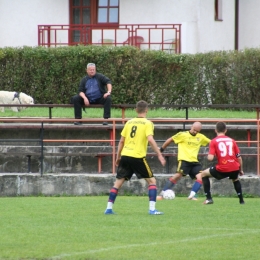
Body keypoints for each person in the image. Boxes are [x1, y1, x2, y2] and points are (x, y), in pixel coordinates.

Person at [104, 100, 166, 215]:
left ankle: (108, 208)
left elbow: (121, 141)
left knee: (117, 183)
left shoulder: (129, 122)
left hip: (125, 155)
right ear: (147, 110)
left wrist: (118, 157)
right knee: (152, 181)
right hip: (137, 156)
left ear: (136, 110)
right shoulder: (148, 123)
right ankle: (152, 209)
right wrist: (159, 154)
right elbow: (150, 139)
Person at [157, 122, 211, 200]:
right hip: (184, 161)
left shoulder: (201, 137)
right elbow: (170, 140)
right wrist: (161, 149)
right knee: (177, 176)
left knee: (201, 177)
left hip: (194, 162)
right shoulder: (182, 135)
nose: (195, 132)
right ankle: (162, 194)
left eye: (197, 131)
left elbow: (212, 143)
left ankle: (192, 195)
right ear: (191, 127)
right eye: (194, 130)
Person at [195, 121, 245, 205]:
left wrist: (210, 153)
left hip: (223, 168)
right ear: (225, 130)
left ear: (215, 130)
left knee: (203, 174)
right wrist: (241, 170)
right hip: (234, 166)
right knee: (235, 179)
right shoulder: (232, 140)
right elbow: (239, 157)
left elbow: (210, 158)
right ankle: (241, 200)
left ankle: (209, 199)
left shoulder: (214, 141)